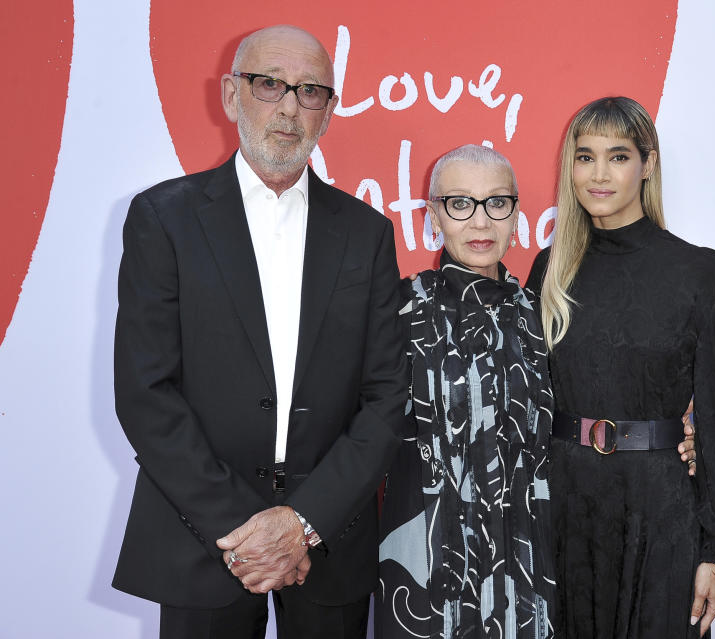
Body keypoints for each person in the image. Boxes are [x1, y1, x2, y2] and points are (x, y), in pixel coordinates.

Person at [112, 25, 408, 639]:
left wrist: (301, 523)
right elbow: (146, 393)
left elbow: (386, 397)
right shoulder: (162, 219)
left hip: (329, 543)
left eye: (309, 92)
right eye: (268, 84)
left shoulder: (367, 233)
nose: (289, 107)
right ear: (231, 95)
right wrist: (248, 531)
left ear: (329, 112)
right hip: (203, 536)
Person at [527, 97, 715, 638]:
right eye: (585, 157)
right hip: (564, 510)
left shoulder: (701, 273)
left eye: (618, 156)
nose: (599, 174)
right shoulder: (550, 268)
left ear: (648, 163)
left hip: (661, 513)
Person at [377, 145, 555, 638]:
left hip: (527, 567)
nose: (480, 222)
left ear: (516, 214)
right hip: (425, 564)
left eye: (496, 203)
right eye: (460, 203)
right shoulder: (398, 311)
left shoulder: (544, 317)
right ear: (434, 213)